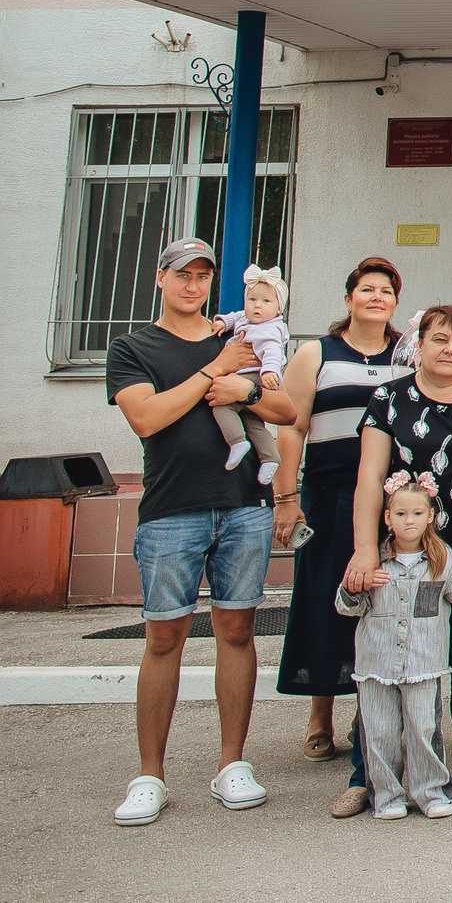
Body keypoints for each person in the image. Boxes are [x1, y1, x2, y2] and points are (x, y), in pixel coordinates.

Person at [106, 237, 295, 827]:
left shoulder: (239, 336)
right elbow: (146, 416)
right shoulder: (134, 347)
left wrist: (250, 389)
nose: (192, 285)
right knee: (164, 638)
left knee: (237, 630)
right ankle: (149, 776)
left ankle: (231, 764)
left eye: (202, 275)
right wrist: (214, 372)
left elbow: (287, 411)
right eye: (181, 275)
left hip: (243, 506)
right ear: (160, 279)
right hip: (171, 510)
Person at [344, 304, 452, 811]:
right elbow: (370, 478)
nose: (450, 350)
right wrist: (363, 550)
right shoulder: (388, 399)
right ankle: (366, 774)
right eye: (440, 340)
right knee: (382, 665)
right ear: (419, 345)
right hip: (401, 554)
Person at [275, 256, 409, 771]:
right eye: (367, 289)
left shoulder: (406, 355)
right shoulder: (316, 353)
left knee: (380, 604)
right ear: (349, 298)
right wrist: (286, 498)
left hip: (392, 500)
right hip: (330, 495)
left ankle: (368, 716)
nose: (377, 297)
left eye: (386, 291)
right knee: (325, 599)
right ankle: (319, 716)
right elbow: (291, 425)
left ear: (396, 303)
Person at [334, 477, 452, 819]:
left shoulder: (442, 559)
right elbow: (346, 606)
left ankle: (432, 791)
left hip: (424, 663)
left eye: (417, 513)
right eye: (401, 513)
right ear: (387, 518)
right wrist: (357, 588)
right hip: (376, 664)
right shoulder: (373, 558)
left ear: (430, 517)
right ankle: (387, 797)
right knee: (379, 732)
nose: (410, 520)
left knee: (424, 728)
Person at [210, 266, 291, 482]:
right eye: (252, 299)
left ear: (278, 309)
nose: (257, 305)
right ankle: (270, 457)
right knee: (252, 419)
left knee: (222, 405)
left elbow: (273, 352)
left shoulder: (269, 329)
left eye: (266, 301)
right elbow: (234, 316)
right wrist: (221, 322)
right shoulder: (247, 319)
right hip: (245, 375)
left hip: (255, 375)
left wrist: (269, 371)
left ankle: (237, 441)